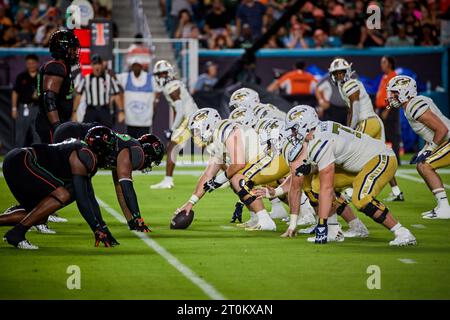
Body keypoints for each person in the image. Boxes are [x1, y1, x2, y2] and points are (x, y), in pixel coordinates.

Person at [285, 105, 416, 246]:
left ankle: (402, 232)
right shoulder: (320, 131)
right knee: (316, 185)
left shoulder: (320, 142)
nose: (292, 133)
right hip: (359, 164)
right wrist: (310, 167)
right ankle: (334, 231)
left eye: (294, 128)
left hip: (380, 158)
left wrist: (322, 224)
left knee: (361, 198)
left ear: (306, 125)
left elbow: (327, 188)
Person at [1, 127, 119, 249]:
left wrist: (103, 227)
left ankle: (14, 232)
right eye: (110, 147)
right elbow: (82, 200)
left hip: (18, 160)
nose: (111, 151)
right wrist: (96, 229)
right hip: (22, 160)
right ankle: (17, 233)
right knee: (63, 194)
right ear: (100, 147)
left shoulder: (84, 152)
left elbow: (89, 195)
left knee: (39, 216)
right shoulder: (85, 156)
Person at [175, 108, 277, 231]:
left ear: (207, 125)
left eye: (197, 130)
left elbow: (239, 163)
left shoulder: (224, 129)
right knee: (234, 179)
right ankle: (256, 217)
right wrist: (190, 202)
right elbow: (208, 175)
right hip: (262, 162)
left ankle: (266, 221)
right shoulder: (214, 142)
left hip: (272, 158)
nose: (195, 135)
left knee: (236, 179)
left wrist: (219, 179)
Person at [53, 121, 165, 230]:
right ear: (148, 153)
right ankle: (40, 217)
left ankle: (43, 215)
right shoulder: (135, 152)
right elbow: (127, 188)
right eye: (152, 161)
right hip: (73, 134)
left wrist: (131, 221)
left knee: (78, 189)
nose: (149, 164)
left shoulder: (124, 149)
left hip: (70, 131)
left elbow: (120, 189)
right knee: (76, 190)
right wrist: (138, 218)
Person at [328, 57, 404, 201]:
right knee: (382, 155)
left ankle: (350, 191)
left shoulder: (350, 84)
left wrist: (349, 130)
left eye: (341, 72)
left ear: (348, 71)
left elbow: (354, 108)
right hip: (375, 121)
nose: (339, 75)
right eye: (336, 73)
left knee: (350, 154)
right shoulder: (346, 84)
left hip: (366, 122)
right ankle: (396, 191)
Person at [387, 76, 450, 219]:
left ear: (405, 92)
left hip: (448, 140)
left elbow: (442, 129)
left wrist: (429, 149)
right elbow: (432, 132)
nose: (391, 97)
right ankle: (442, 205)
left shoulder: (414, 106)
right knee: (421, 166)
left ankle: (445, 208)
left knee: (425, 165)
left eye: (394, 92)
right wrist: (425, 148)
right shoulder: (413, 104)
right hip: (445, 141)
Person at [150, 60, 198, 189]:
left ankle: (168, 180)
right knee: (173, 147)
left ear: (169, 73)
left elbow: (181, 110)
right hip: (192, 119)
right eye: (159, 74)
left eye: (163, 73)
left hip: (191, 120)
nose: (161, 76)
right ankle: (168, 180)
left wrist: (172, 128)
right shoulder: (171, 84)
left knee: (213, 148)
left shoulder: (172, 86)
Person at [35, 30, 80, 144]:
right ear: (63, 49)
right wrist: (57, 126)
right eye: (72, 49)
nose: (75, 52)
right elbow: (49, 100)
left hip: (58, 121)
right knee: (54, 158)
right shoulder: (56, 67)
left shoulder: (62, 66)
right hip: (51, 123)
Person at [73, 54, 124, 128]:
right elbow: (78, 96)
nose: (97, 66)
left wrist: (121, 111)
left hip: (104, 110)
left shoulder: (108, 78)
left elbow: (116, 95)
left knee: (107, 132)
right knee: (86, 131)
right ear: (92, 65)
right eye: (94, 64)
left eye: (99, 64)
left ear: (102, 65)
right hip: (91, 110)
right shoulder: (86, 79)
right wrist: (74, 113)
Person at [116, 56, 156, 138]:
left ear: (141, 67)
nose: (136, 68)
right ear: (131, 67)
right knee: (131, 143)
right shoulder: (125, 77)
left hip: (145, 121)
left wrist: (155, 102)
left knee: (144, 142)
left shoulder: (151, 78)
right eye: (134, 66)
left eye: (138, 65)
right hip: (130, 120)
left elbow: (159, 88)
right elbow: (113, 78)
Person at [11, 54, 40, 147]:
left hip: (37, 108)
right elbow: (15, 92)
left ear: (37, 63)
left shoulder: (41, 76)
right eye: (29, 63)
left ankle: (37, 157)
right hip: (23, 108)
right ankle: (18, 157)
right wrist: (14, 108)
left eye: (33, 63)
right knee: (20, 135)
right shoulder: (21, 76)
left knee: (37, 135)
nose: (31, 65)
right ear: (26, 64)